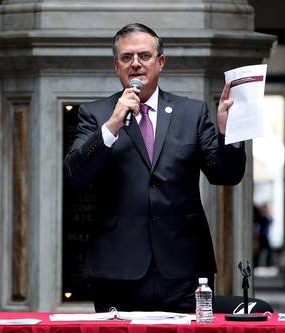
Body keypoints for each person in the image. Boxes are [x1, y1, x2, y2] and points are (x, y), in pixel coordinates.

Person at [64, 23, 246, 313]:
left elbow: (225, 174)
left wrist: (228, 133)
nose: (135, 63)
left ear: (161, 62)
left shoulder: (192, 112)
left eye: (144, 56)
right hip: (118, 269)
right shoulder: (96, 114)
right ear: (116, 66)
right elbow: (75, 174)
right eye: (126, 57)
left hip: (183, 269)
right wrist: (112, 125)